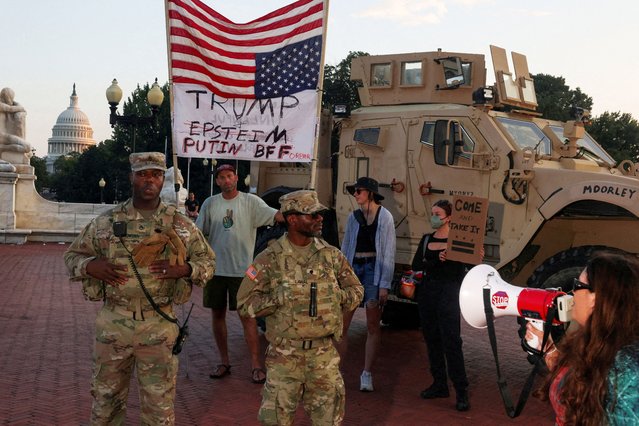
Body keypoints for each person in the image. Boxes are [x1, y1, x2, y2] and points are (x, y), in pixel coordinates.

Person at [63, 152, 216, 425]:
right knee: (105, 404)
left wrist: (185, 269)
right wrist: (89, 266)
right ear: (131, 177)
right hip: (113, 325)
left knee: (159, 410)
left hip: (158, 326)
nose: (150, 180)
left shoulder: (179, 224)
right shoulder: (107, 223)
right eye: (143, 173)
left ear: (162, 179)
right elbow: (71, 257)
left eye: (156, 174)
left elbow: (208, 262)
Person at [237, 190, 364, 425]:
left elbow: (357, 291)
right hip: (285, 358)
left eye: (319, 214)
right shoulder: (269, 259)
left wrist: (336, 296)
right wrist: (278, 298)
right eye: (312, 215)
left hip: (323, 357)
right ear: (292, 219)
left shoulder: (331, 256)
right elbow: (244, 304)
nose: (319, 219)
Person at [527, 252, 639, 425]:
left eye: (577, 285)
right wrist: (549, 351)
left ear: (595, 299)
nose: (571, 292)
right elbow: (582, 380)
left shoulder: (628, 374)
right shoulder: (604, 343)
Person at [196, 163, 284, 384]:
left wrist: (299, 209)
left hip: (243, 272)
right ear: (217, 181)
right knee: (218, 315)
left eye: (230, 176)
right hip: (216, 271)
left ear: (236, 178)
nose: (226, 180)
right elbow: (198, 235)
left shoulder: (251, 202)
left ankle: (256, 366)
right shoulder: (210, 204)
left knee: (248, 317)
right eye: (222, 177)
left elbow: (278, 217)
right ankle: (224, 361)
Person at [411, 199, 473, 411]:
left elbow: (470, 266)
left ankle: (461, 390)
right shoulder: (427, 238)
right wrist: (437, 259)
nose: (434, 217)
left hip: (449, 293)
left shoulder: (460, 240)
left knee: (452, 342)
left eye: (437, 213)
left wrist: (477, 257)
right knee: (432, 339)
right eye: (432, 213)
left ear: (449, 217)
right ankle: (439, 384)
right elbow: (417, 265)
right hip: (428, 293)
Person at [338, 176, 396, 392]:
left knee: (373, 325)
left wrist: (384, 284)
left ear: (370, 192)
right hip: (354, 270)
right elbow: (345, 248)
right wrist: (341, 277)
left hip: (373, 270)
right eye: (355, 191)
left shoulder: (385, 217)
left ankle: (367, 373)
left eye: (359, 191)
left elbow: (389, 252)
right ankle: (337, 371)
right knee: (343, 324)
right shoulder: (353, 217)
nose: (356, 194)